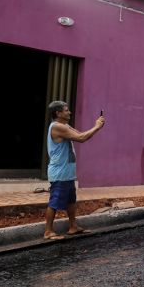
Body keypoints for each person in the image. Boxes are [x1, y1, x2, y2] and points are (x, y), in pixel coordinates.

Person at [44, 101, 105, 240]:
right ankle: (48, 231)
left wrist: (95, 126)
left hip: (67, 172)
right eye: (66, 110)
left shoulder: (64, 126)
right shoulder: (58, 127)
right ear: (58, 113)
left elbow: (79, 133)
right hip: (59, 173)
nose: (69, 112)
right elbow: (81, 138)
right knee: (54, 202)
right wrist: (97, 126)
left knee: (71, 200)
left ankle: (73, 226)